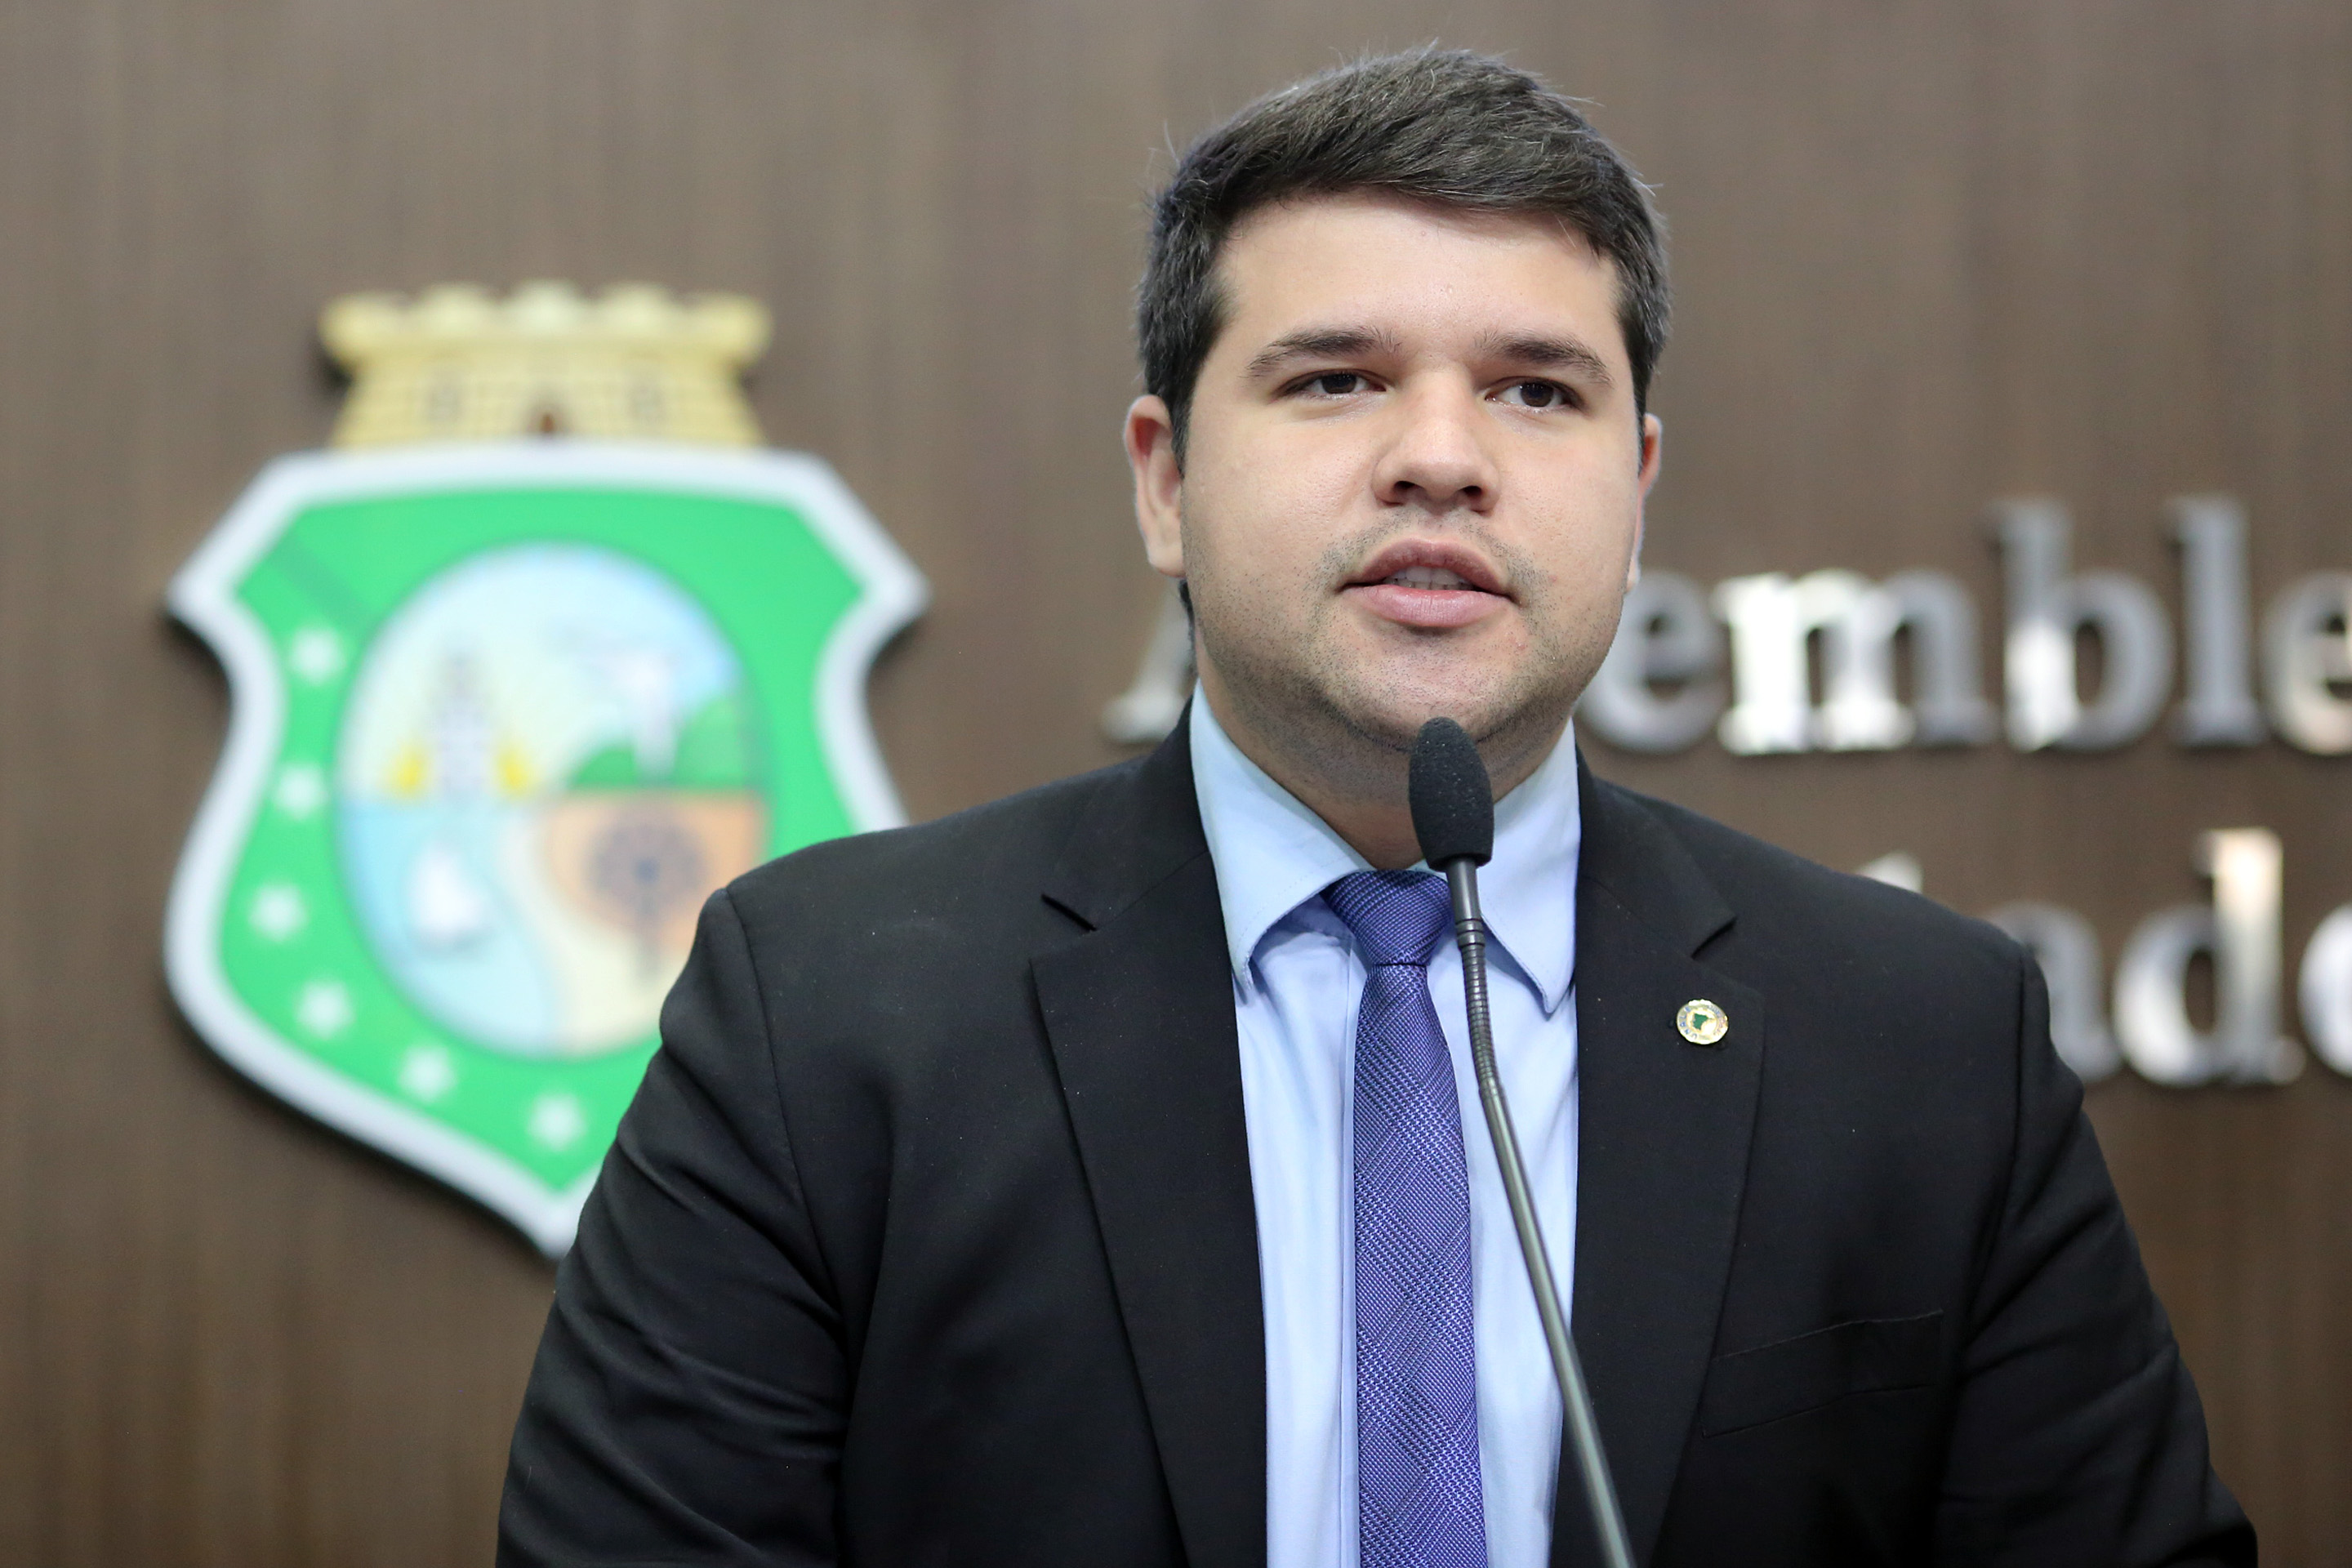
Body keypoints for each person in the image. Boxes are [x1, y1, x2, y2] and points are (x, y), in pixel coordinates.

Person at [499, 48, 2255, 1567]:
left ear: (1638, 489)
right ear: (1166, 481)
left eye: (1536, 391)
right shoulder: (822, 1016)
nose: (1442, 456)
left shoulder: (1922, 1039)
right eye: (1336, 379)